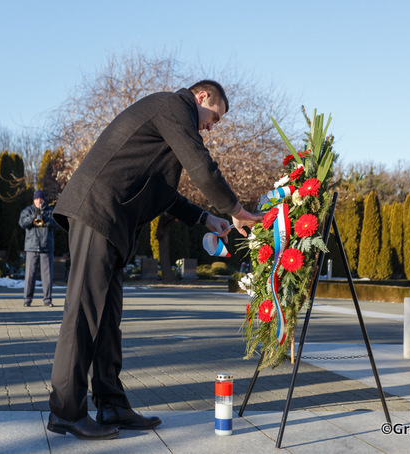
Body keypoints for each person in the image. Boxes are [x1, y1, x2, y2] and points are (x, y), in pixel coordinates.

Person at [47, 80, 262, 440]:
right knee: (83, 315)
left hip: (111, 223)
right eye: (214, 117)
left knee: (107, 320)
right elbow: (201, 165)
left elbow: (162, 192)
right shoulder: (173, 107)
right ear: (201, 96)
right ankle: (66, 412)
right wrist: (236, 210)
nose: (211, 127)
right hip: (96, 212)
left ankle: (111, 404)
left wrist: (205, 218)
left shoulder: (168, 122)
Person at [18, 189, 58, 307]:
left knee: (47, 276)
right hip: (31, 247)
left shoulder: (50, 211)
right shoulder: (28, 211)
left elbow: (56, 224)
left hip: (46, 247)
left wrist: (45, 219)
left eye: (41, 199)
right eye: (36, 199)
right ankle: (27, 300)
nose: (39, 201)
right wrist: (33, 217)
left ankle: (47, 300)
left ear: (44, 200)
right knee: (30, 275)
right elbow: (22, 223)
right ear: (34, 200)